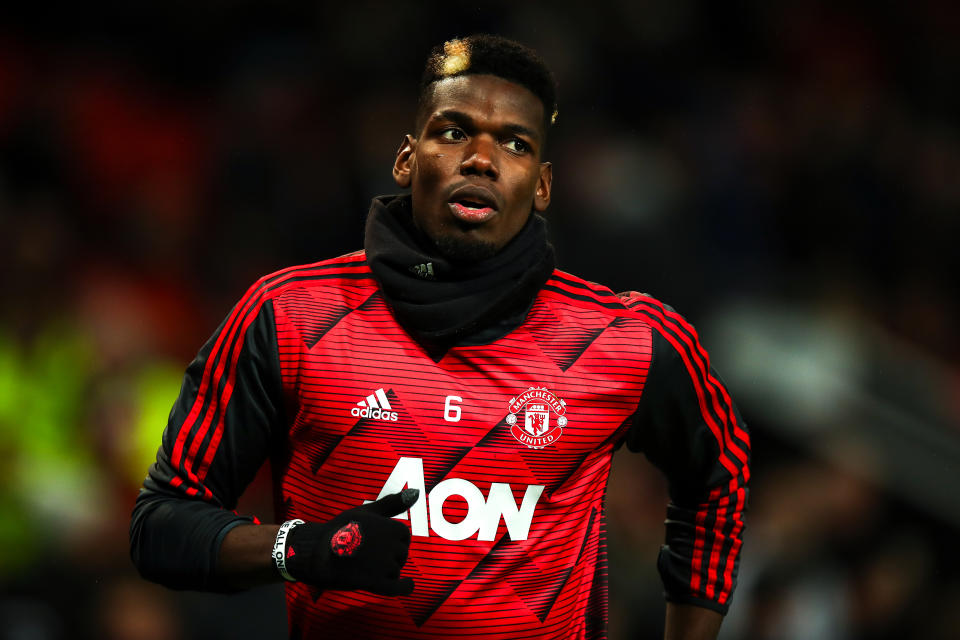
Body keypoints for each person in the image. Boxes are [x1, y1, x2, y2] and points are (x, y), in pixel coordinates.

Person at [130, 34, 750, 640]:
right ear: (406, 158)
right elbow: (162, 524)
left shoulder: (628, 339)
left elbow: (720, 474)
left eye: (515, 143)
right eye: (454, 132)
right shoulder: (289, 316)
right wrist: (305, 548)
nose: (482, 158)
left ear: (541, 184)